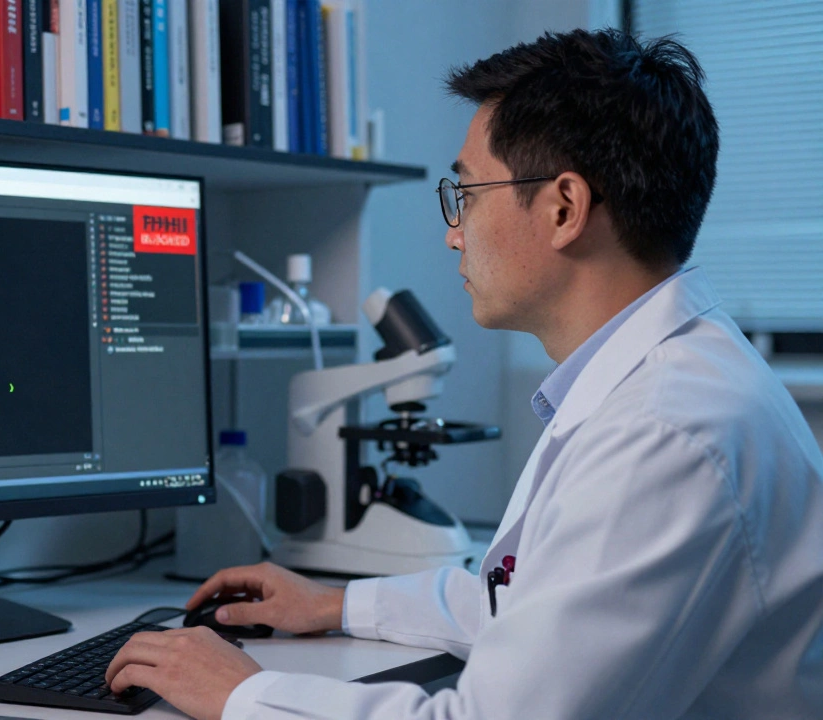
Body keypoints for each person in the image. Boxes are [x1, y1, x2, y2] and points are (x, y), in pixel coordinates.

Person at [104, 27, 823, 720]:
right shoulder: (669, 380)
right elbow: (531, 603)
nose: (453, 232)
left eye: (466, 194)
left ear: (564, 208)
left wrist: (241, 694)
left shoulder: (666, 433)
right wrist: (336, 604)